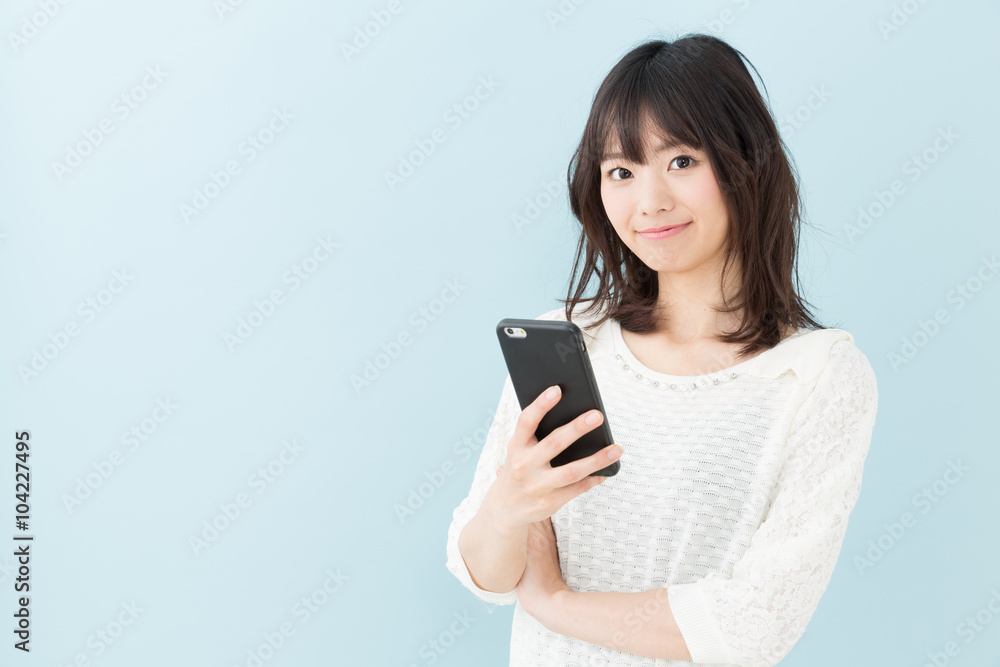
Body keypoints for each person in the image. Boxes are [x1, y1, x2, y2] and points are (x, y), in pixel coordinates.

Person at [445, 32, 878, 667]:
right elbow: (482, 574)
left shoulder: (815, 376)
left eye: (680, 161)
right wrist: (508, 507)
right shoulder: (572, 343)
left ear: (744, 162)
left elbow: (750, 628)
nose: (649, 202)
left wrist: (558, 603)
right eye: (621, 171)